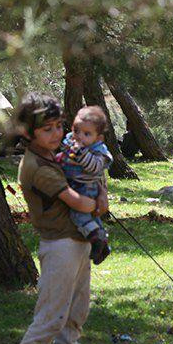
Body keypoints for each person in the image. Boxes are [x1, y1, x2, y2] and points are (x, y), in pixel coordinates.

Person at [8, 93, 108, 344]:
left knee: (77, 307)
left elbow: (93, 172)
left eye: (59, 126)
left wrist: (99, 192)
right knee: (52, 312)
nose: (56, 134)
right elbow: (78, 202)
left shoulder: (54, 153)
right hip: (60, 244)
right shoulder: (37, 167)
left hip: (77, 240)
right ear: (29, 133)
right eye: (47, 129)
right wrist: (98, 202)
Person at [57, 105, 112, 265]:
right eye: (76, 130)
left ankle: (95, 237)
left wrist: (81, 154)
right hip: (73, 184)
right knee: (91, 216)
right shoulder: (70, 141)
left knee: (78, 214)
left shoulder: (98, 150)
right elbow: (64, 155)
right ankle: (103, 244)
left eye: (87, 134)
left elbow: (95, 167)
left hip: (87, 187)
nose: (79, 136)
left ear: (98, 138)